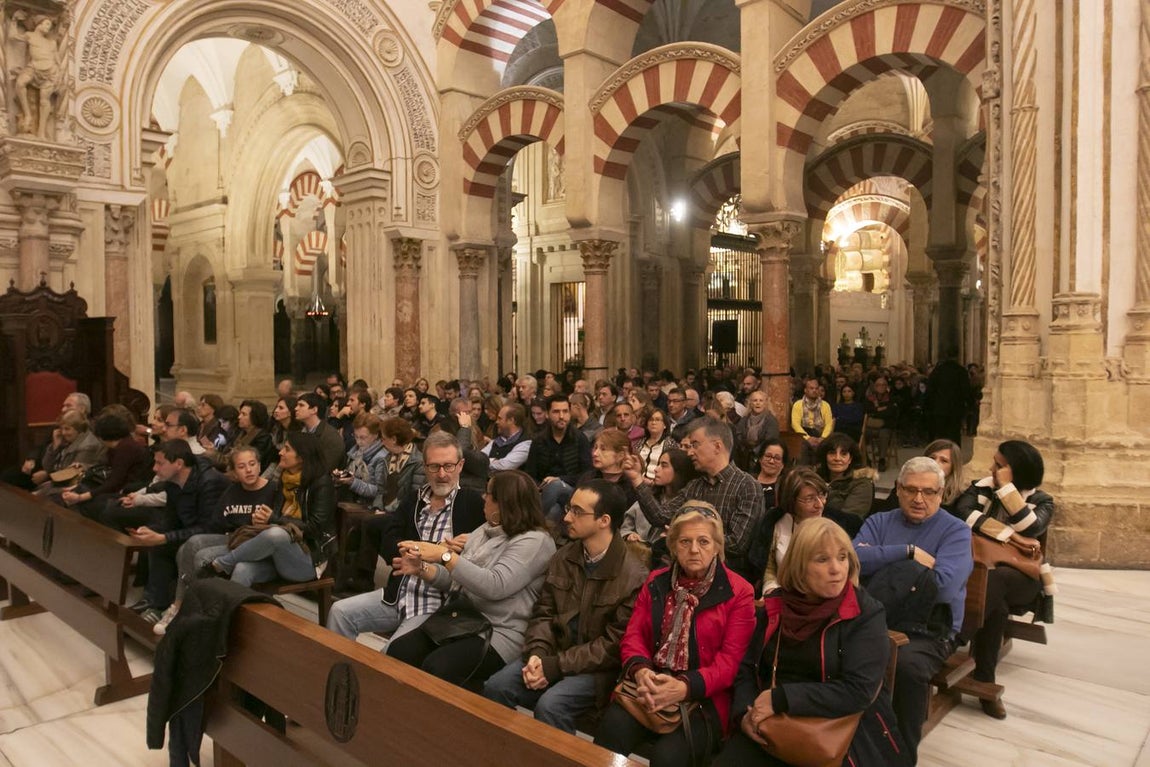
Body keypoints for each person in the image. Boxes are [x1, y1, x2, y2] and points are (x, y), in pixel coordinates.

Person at [717, 517, 909, 767]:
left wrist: (781, 698)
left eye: (842, 557)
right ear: (799, 566)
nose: (837, 569)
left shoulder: (865, 613)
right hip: (774, 724)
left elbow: (858, 690)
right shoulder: (776, 607)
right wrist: (743, 713)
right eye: (822, 559)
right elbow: (747, 668)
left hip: (842, 730)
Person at [593, 503, 756, 767]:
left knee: (667, 758)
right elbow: (634, 636)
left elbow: (729, 664)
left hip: (704, 698)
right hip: (649, 685)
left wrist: (683, 688)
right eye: (685, 541)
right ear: (673, 547)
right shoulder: (657, 581)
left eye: (703, 541)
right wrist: (642, 673)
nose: (694, 549)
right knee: (609, 734)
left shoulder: (739, 592)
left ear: (717, 546)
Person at [482, 479, 648, 733]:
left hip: (598, 671)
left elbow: (612, 646)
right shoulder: (564, 556)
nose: (567, 517)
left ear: (604, 520)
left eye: (578, 512)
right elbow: (543, 613)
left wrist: (556, 666)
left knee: (551, 705)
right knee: (497, 686)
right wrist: (537, 652)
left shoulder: (633, 576)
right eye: (569, 508)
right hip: (553, 653)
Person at [386, 470, 556, 689]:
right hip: (462, 619)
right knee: (400, 651)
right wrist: (421, 568)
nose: (484, 499)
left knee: (437, 668)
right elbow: (457, 580)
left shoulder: (535, 541)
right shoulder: (487, 529)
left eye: (488, 494)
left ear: (503, 503)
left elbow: (495, 585)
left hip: (498, 631)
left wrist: (444, 555)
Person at [853, 456, 973, 762]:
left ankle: (902, 754)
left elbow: (943, 587)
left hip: (931, 629)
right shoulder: (880, 521)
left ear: (942, 494)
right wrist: (908, 554)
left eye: (929, 492)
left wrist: (881, 567)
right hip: (877, 619)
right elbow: (853, 561)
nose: (919, 498)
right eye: (910, 490)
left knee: (905, 666)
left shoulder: (955, 531)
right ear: (898, 488)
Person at [326, 432, 485, 639]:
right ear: (425, 467)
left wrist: (463, 545)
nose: (442, 474)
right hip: (399, 593)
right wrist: (415, 550)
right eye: (434, 467)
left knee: (391, 653)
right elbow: (390, 535)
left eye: (449, 466)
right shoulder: (414, 499)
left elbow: (485, 553)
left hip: (438, 603)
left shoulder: (473, 505)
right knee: (339, 612)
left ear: (461, 465)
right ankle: (341, 671)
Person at [952, 440, 1055, 719]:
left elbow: (1032, 525)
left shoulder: (1043, 501)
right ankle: (985, 682)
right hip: (980, 573)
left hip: (1022, 579)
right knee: (993, 597)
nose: (991, 468)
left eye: (999, 465)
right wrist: (1013, 537)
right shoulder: (981, 487)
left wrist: (1007, 490)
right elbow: (962, 514)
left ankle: (953, 638)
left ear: (1015, 471)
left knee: (995, 581)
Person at [152, 446, 281, 635]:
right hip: (231, 538)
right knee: (191, 544)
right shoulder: (233, 490)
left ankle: (198, 613)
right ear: (235, 471)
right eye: (242, 466)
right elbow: (215, 523)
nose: (249, 470)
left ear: (260, 465)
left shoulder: (273, 489)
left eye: (252, 464)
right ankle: (178, 606)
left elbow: (277, 528)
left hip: (254, 544)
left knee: (203, 556)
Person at [626, 417, 764, 584]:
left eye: (695, 445)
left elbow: (737, 544)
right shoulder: (695, 486)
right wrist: (636, 479)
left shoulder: (747, 486)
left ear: (717, 446)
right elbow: (660, 517)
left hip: (725, 579)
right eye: (689, 446)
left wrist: (687, 538)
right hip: (686, 574)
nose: (689, 452)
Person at [205, 431, 336, 587]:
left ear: (301, 456)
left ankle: (221, 564)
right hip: (278, 552)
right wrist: (262, 520)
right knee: (242, 568)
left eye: (287, 449)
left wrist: (273, 520)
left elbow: (315, 528)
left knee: (276, 534)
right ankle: (227, 610)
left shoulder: (322, 483)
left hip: (309, 559)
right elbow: (277, 517)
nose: (280, 452)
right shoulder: (285, 478)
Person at [130, 440, 230, 622]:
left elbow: (209, 528)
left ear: (178, 463)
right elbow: (171, 520)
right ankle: (154, 602)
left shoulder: (210, 482)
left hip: (216, 538)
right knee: (156, 540)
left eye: (160, 463)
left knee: (172, 545)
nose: (154, 468)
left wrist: (164, 537)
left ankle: (167, 607)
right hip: (192, 531)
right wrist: (154, 533)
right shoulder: (173, 482)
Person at [747, 469, 862, 597]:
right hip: (782, 597)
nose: (819, 505)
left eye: (822, 495)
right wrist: (771, 589)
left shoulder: (834, 527)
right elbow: (770, 567)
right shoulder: (776, 524)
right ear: (791, 501)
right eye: (809, 499)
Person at [59, 412, 151, 517]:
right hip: (119, 488)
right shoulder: (121, 445)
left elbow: (114, 483)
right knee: (73, 492)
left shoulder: (125, 448)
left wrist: (80, 497)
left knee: (86, 503)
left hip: (128, 491)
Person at [523, 394, 592, 528]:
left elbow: (587, 473)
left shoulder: (579, 438)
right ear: (548, 414)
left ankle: (530, 523)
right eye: (556, 412)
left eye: (565, 411)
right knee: (554, 511)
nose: (561, 416)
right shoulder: (539, 441)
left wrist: (559, 479)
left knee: (556, 485)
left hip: (573, 491)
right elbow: (530, 473)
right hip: (546, 493)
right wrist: (540, 486)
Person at [621, 448, 696, 550]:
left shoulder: (686, 503)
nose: (656, 469)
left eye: (664, 465)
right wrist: (629, 535)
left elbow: (660, 517)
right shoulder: (649, 496)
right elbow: (625, 527)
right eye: (658, 464)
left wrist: (637, 478)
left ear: (679, 470)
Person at [816, 432, 876, 518]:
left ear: (850, 459)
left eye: (843, 454)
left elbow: (849, 520)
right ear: (825, 456)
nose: (837, 458)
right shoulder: (815, 477)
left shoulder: (862, 484)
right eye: (832, 453)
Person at [294, 392, 346, 473]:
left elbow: (325, 469)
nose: (296, 408)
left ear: (314, 410)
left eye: (301, 405)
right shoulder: (301, 432)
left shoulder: (330, 436)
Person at [731, 390, 780, 472]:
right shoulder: (744, 419)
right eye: (755, 400)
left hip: (762, 455)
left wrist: (755, 452)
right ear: (751, 403)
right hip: (744, 454)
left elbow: (770, 441)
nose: (758, 403)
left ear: (765, 403)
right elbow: (738, 435)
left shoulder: (771, 420)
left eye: (761, 400)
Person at [791, 378, 834, 465]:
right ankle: (803, 472)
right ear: (805, 390)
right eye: (811, 388)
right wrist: (808, 438)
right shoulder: (798, 404)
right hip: (804, 435)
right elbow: (795, 424)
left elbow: (829, 424)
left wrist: (822, 438)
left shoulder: (825, 405)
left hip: (820, 435)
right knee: (803, 447)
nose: (814, 390)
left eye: (816, 388)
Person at [480, 402, 532, 473]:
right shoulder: (498, 439)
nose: (496, 422)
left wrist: (488, 461)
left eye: (500, 419)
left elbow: (505, 466)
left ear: (511, 420)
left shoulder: (526, 443)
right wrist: (494, 461)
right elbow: (479, 457)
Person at [230, 400, 278, 471]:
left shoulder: (263, 438)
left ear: (254, 418)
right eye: (240, 413)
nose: (239, 417)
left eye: (244, 414)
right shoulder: (240, 433)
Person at [863, 377, 898, 471]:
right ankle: (866, 459)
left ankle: (882, 460)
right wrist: (881, 410)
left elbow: (890, 412)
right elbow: (866, 410)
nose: (881, 387)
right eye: (878, 385)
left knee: (884, 433)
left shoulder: (892, 398)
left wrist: (876, 412)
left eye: (883, 385)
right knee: (861, 433)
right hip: (871, 426)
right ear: (874, 387)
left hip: (886, 426)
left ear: (886, 386)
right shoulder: (869, 398)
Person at [634, 408, 677, 482]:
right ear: (647, 425)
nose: (653, 422)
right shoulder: (639, 442)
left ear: (665, 425)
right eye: (651, 420)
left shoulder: (670, 444)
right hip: (637, 481)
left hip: (658, 485)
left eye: (657, 420)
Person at [924, 438, 966, 506]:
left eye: (943, 461)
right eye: (932, 458)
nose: (935, 463)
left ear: (953, 467)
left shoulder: (961, 500)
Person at [752, 439, 787, 511]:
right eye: (768, 456)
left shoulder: (785, 486)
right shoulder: (748, 480)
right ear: (760, 458)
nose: (771, 461)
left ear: (783, 464)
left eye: (777, 458)